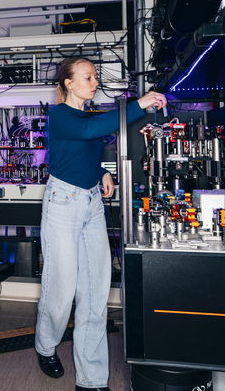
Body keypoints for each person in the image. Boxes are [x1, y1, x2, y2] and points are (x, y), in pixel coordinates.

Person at [34, 57, 166, 391]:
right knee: (61, 289)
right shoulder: (60, 115)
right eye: (88, 77)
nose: (95, 82)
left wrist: (102, 172)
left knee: (95, 292)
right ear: (68, 83)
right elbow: (89, 132)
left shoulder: (87, 115)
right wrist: (139, 103)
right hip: (63, 204)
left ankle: (91, 380)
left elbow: (85, 148)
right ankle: (45, 346)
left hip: (91, 203)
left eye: (95, 77)